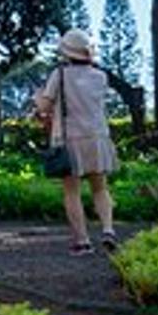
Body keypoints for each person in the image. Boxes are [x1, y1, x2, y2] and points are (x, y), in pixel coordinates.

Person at [35, 29, 123, 256]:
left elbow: (44, 107)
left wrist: (38, 97)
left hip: (70, 140)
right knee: (100, 188)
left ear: (66, 52)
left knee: (72, 191)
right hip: (97, 137)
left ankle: (83, 241)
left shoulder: (59, 74)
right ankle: (108, 229)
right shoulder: (100, 76)